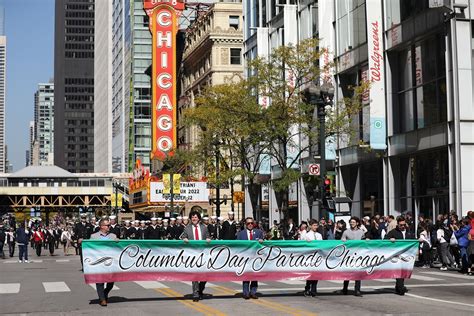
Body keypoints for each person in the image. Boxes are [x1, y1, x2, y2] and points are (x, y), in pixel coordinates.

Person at [180, 211, 211, 302]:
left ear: (199, 219)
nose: (194, 219)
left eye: (196, 217)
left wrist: (208, 239)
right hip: (192, 254)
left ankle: (200, 289)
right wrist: (184, 238)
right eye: (193, 217)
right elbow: (183, 236)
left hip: (203, 254)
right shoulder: (187, 228)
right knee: (195, 275)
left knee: (204, 275)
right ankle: (195, 294)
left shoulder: (204, 228)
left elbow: (208, 237)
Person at [90, 218, 119, 307]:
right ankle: (102, 299)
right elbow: (90, 248)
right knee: (100, 282)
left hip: (111, 261)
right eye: (107, 225)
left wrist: (118, 242)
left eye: (109, 225)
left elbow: (118, 247)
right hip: (99, 261)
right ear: (102, 226)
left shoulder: (113, 236)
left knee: (111, 281)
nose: (109, 226)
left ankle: (105, 293)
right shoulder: (94, 236)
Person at [385, 216, 415, 295]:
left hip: (407, 255)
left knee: (404, 271)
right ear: (397, 224)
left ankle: (398, 287)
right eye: (401, 225)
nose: (403, 226)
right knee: (399, 271)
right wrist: (390, 240)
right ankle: (401, 288)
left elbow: (413, 240)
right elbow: (385, 240)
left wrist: (419, 240)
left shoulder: (409, 231)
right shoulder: (393, 232)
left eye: (404, 225)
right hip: (397, 255)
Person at [237, 217, 264, 299]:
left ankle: (253, 292)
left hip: (255, 257)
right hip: (245, 258)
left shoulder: (259, 232)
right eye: (248, 223)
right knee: (246, 276)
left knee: (255, 275)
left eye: (252, 223)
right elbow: (237, 245)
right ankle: (246, 293)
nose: (250, 225)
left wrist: (261, 240)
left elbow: (262, 243)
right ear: (245, 224)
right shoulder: (241, 233)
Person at [336, 216, 365, 297]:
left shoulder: (361, 232)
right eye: (351, 222)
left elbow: (364, 241)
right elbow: (342, 242)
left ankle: (357, 290)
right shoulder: (346, 232)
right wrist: (343, 241)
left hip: (358, 255)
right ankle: (345, 288)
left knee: (358, 273)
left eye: (353, 222)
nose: (352, 223)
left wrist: (367, 240)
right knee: (347, 272)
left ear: (357, 223)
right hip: (348, 255)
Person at [304, 219, 322, 297]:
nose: (316, 227)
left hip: (317, 256)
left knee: (316, 274)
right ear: (310, 226)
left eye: (316, 225)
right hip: (309, 256)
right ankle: (307, 288)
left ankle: (314, 290)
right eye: (314, 225)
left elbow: (322, 244)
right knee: (310, 274)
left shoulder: (319, 235)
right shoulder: (307, 235)